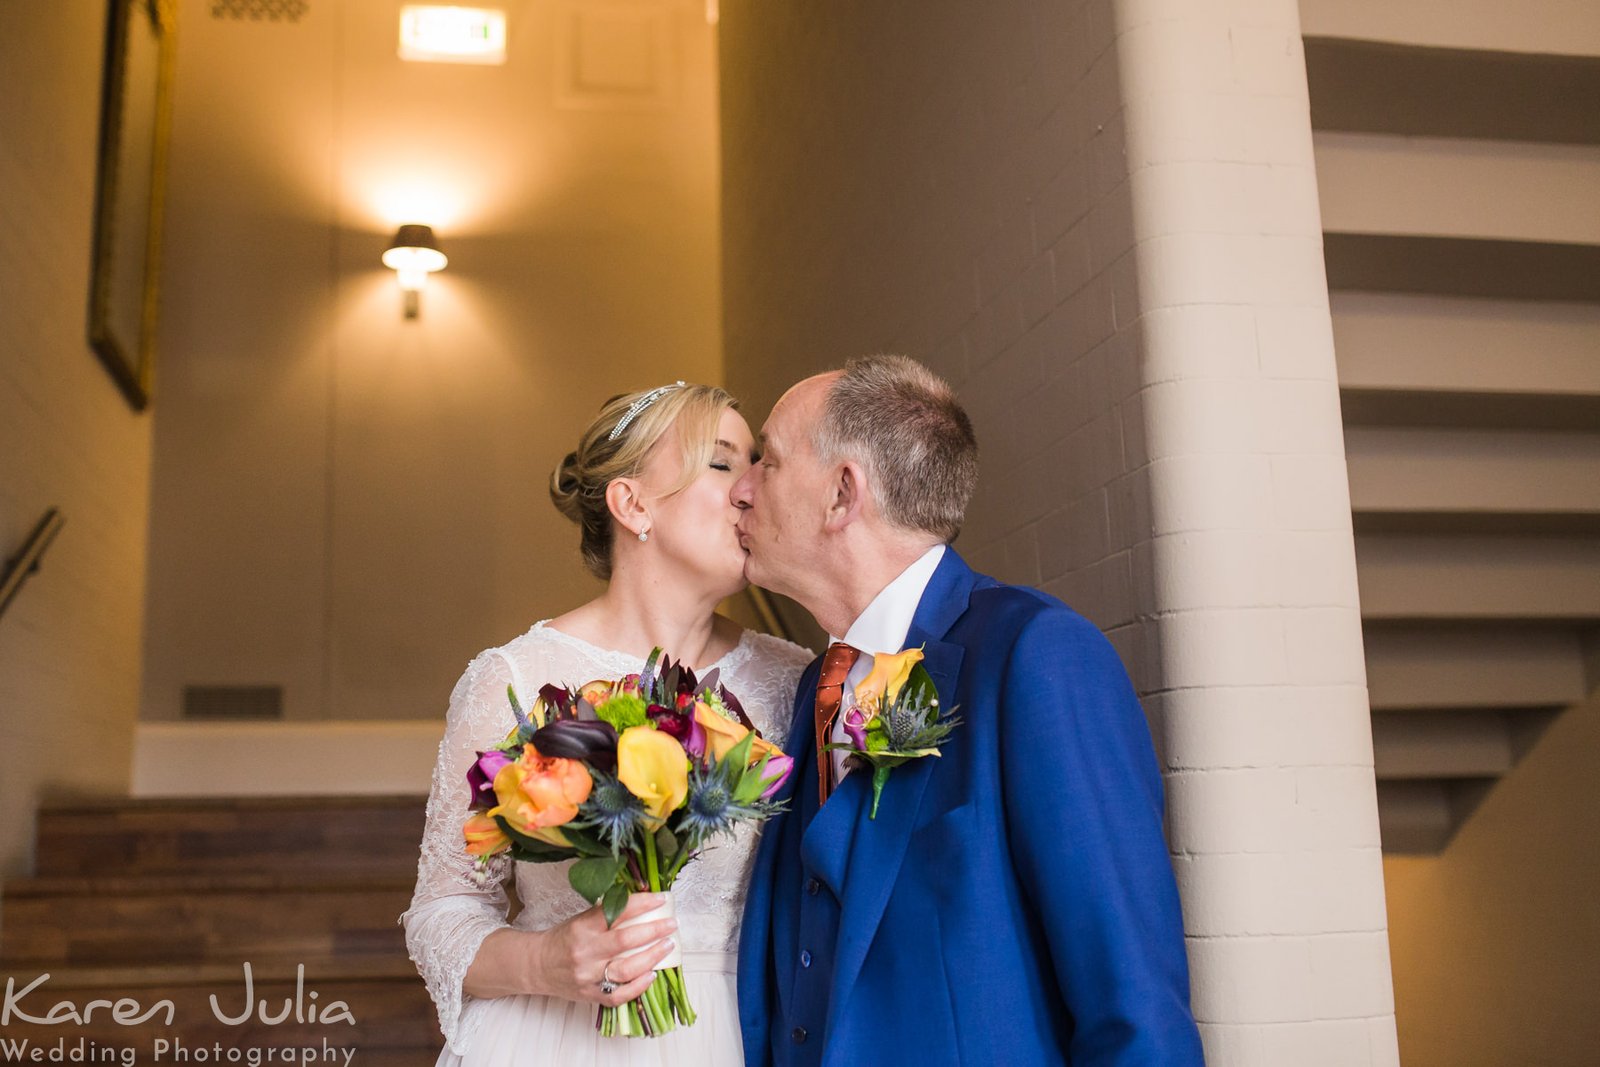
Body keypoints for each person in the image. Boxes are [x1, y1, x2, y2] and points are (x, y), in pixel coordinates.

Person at [732, 356, 1204, 1066]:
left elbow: (1132, 1000)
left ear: (841, 494)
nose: (740, 490)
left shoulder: (1035, 654)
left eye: (765, 460)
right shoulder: (812, 690)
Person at [404, 382, 814, 1066]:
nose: (751, 489)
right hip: (552, 1039)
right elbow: (441, 909)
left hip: (741, 1039)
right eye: (721, 462)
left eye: (757, 463)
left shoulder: (794, 680)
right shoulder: (514, 679)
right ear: (633, 504)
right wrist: (546, 961)